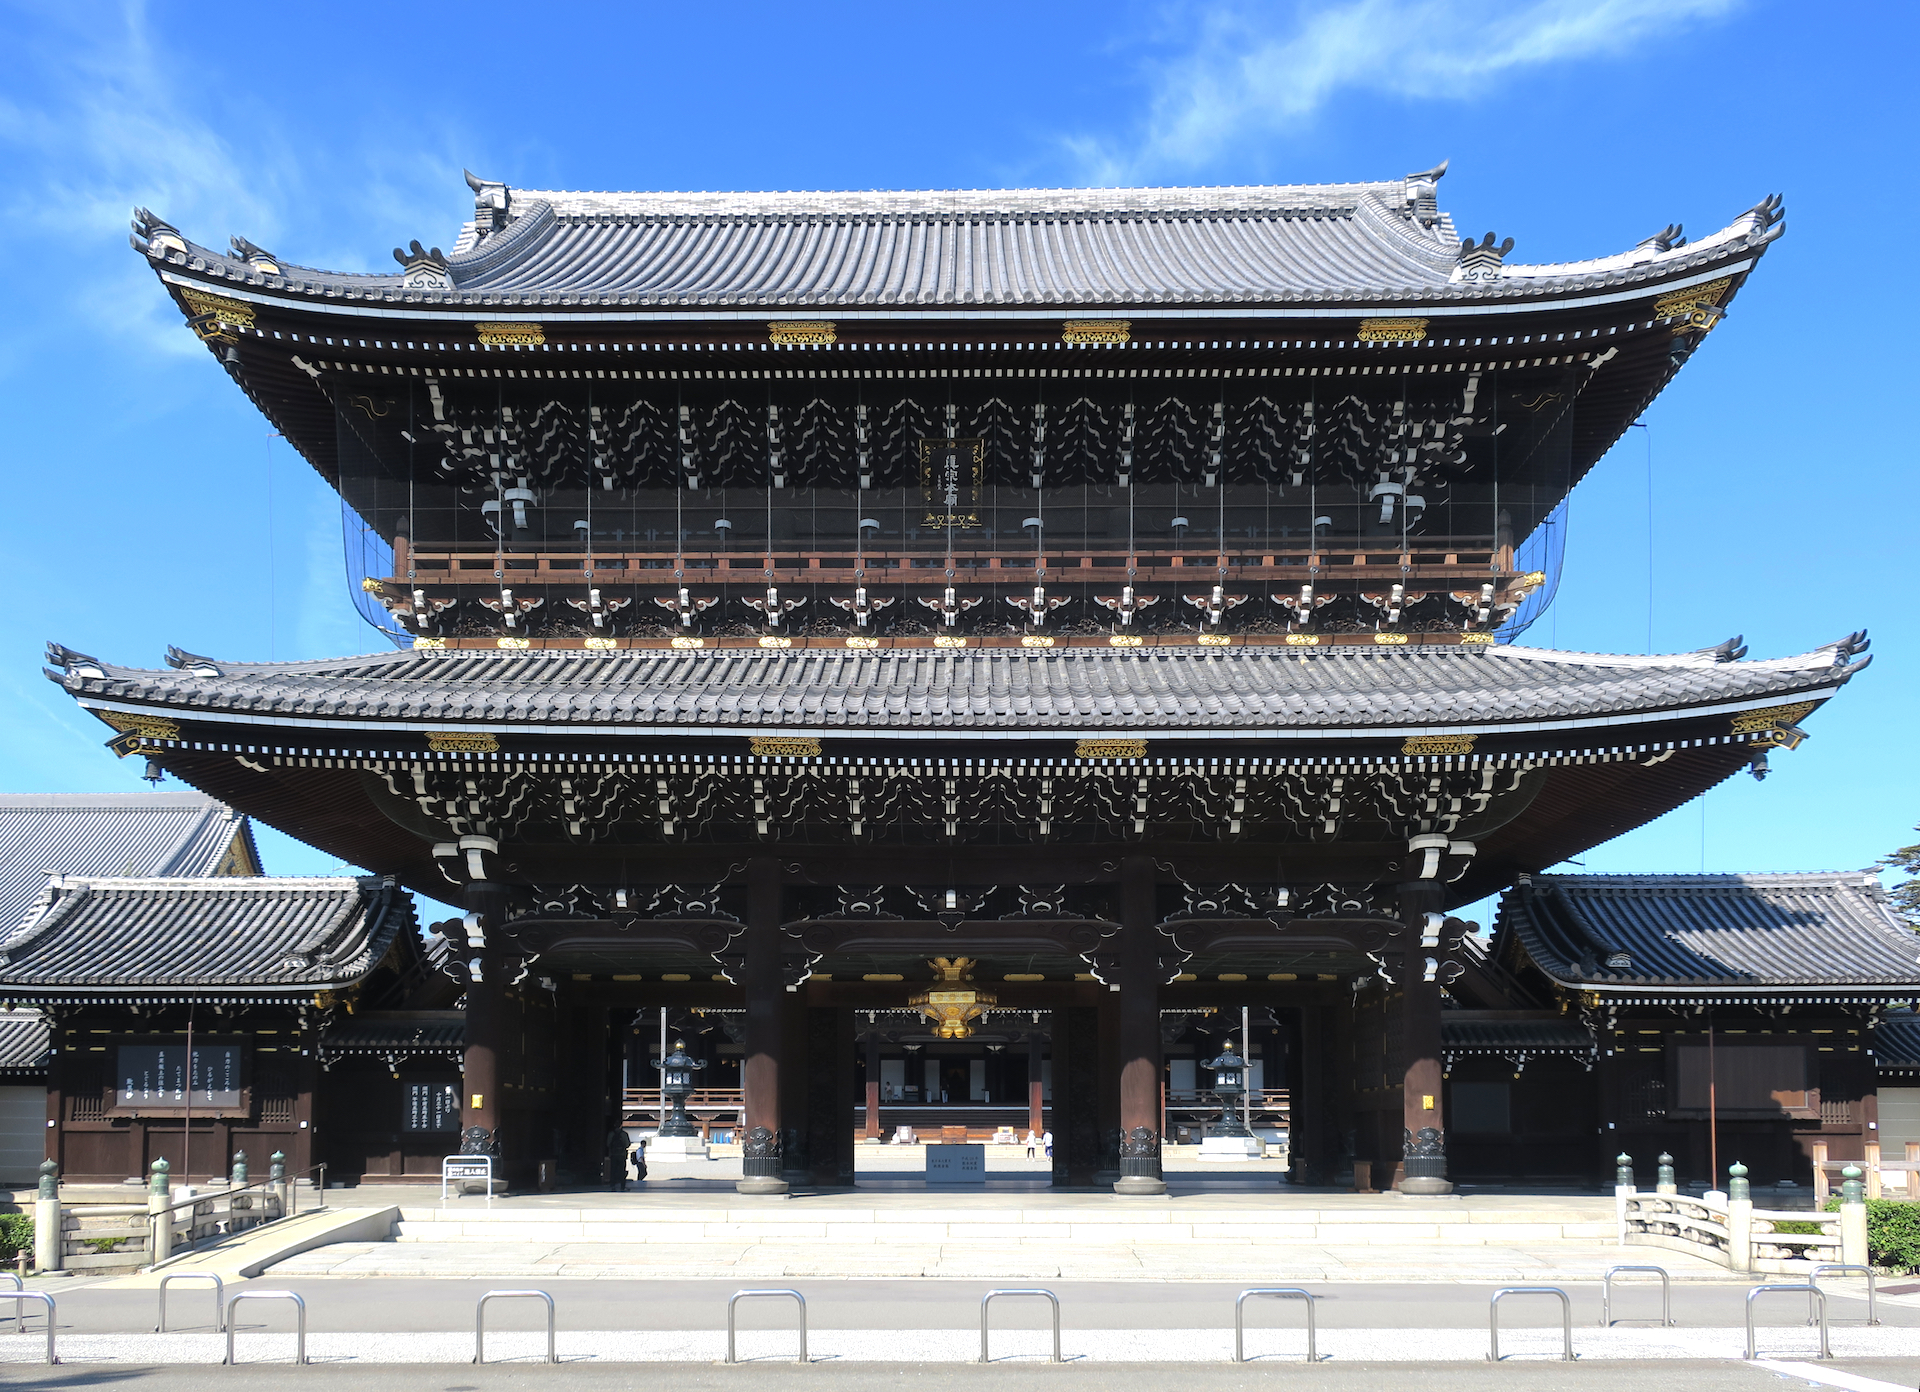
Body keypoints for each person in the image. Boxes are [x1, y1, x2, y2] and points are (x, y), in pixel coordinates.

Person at [605, 1123, 632, 1192]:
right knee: (622, 1171)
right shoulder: (624, 1134)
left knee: (613, 1170)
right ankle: (622, 1186)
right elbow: (627, 1144)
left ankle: (613, 1186)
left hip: (613, 1155)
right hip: (622, 1155)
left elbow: (608, 1144)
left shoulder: (611, 1134)